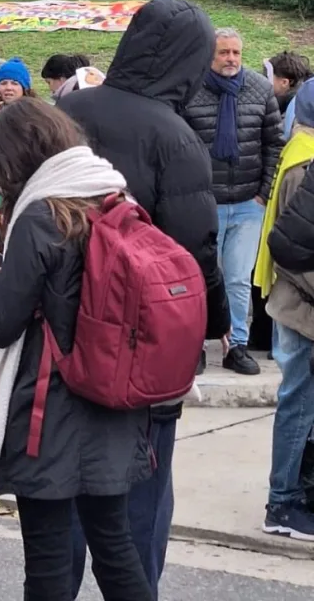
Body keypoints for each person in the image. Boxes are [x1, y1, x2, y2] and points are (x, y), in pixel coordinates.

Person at [58, 0, 231, 598]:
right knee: (143, 484)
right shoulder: (176, 135)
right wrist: (214, 329)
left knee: (67, 478)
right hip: (142, 338)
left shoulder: (69, 108)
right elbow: (195, 249)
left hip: (63, 324)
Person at [0, 99, 153, 601]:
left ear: (17, 160)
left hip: (51, 410)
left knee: (47, 558)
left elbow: (1, 322)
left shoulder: (41, 216)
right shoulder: (114, 198)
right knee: (115, 547)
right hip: (113, 398)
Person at [183, 27, 284, 376]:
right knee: (195, 277)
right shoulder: (190, 89)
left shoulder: (259, 89)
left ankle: (235, 344)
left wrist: (263, 193)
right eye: (223, 53)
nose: (230, 59)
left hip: (246, 203)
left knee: (238, 279)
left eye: (235, 53)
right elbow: (176, 146)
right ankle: (192, 345)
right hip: (201, 204)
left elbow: (274, 143)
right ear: (209, 56)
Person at [254, 80, 314, 541]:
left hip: (300, 304)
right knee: (299, 404)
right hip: (302, 309)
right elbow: (293, 249)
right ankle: (283, 503)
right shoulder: (304, 162)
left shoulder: (300, 150)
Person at [0, 58, 36, 130]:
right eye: (3, 83)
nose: (8, 88)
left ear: (24, 88)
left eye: (14, 83)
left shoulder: (35, 114)